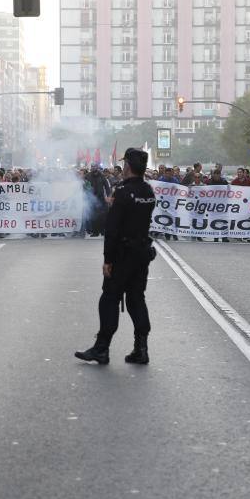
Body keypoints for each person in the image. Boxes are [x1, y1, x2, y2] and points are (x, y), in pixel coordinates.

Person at [75, 148, 156, 365]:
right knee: (136, 299)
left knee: (109, 299)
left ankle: (102, 348)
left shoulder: (122, 191)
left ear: (128, 165)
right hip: (141, 253)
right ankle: (141, 348)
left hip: (122, 254)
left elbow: (113, 229)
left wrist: (108, 260)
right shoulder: (148, 191)